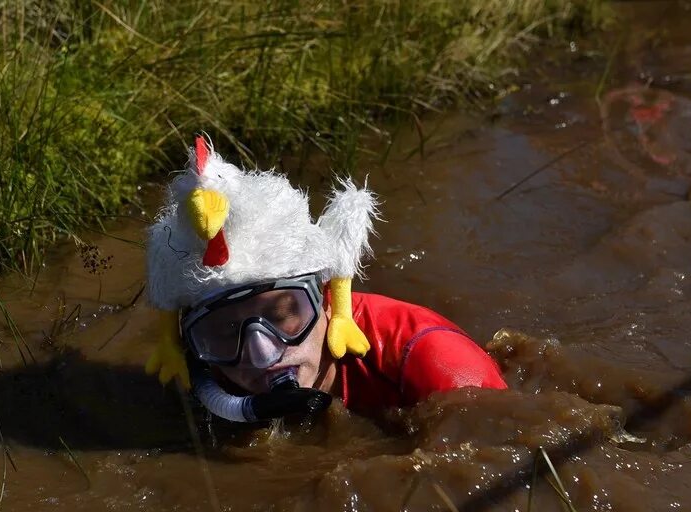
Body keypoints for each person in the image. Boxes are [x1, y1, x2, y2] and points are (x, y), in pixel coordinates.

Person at [145, 137, 506, 422]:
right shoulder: (212, 371)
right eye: (224, 332)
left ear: (323, 298)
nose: (260, 354)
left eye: (283, 314)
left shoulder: (438, 366)